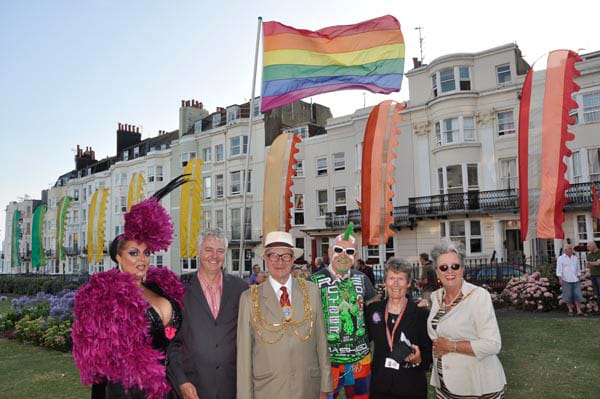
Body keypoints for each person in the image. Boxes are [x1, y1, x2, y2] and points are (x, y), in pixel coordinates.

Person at [72, 175, 188, 399]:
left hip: (166, 386)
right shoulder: (102, 296)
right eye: (133, 253)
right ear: (118, 256)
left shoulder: (160, 286)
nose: (142, 259)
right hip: (125, 389)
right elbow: (98, 352)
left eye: (146, 253)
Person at [237, 231, 333, 399]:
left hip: (308, 389)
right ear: (265, 260)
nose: (280, 262)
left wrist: (325, 386)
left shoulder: (311, 291)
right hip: (268, 391)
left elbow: (321, 341)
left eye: (285, 256)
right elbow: (244, 356)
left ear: (293, 259)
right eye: (273, 256)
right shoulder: (249, 299)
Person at [168, 228, 248, 399]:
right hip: (193, 387)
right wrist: (181, 380)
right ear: (198, 251)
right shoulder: (179, 288)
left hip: (231, 386)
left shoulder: (240, 288)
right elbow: (172, 342)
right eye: (208, 250)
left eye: (220, 251)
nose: (214, 256)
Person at [427, 239, 506, 398]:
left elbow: (493, 344)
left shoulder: (478, 296)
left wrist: (451, 346)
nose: (450, 271)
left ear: (462, 269)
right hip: (444, 387)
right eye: (444, 267)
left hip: (477, 387)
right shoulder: (436, 297)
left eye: (455, 266)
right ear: (437, 272)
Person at [311, 223, 379, 399]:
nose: (343, 255)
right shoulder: (313, 281)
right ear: (330, 252)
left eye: (349, 252)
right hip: (328, 363)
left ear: (355, 257)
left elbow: (375, 309)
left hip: (360, 359)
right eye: (339, 250)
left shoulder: (362, 278)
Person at [366, 257, 432, 399]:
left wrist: (419, 359)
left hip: (411, 388)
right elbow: (362, 340)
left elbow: (428, 356)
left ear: (408, 283)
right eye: (391, 278)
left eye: (401, 279)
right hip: (379, 387)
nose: (395, 284)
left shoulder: (421, 314)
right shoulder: (373, 311)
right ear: (384, 282)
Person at [556, 244, 587, 317]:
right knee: (568, 296)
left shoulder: (575, 258)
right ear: (565, 250)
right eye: (569, 249)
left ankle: (579, 310)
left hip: (576, 280)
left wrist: (579, 276)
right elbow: (559, 270)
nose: (571, 250)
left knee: (578, 295)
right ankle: (570, 310)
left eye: (571, 249)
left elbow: (578, 268)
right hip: (566, 280)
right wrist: (560, 279)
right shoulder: (560, 258)